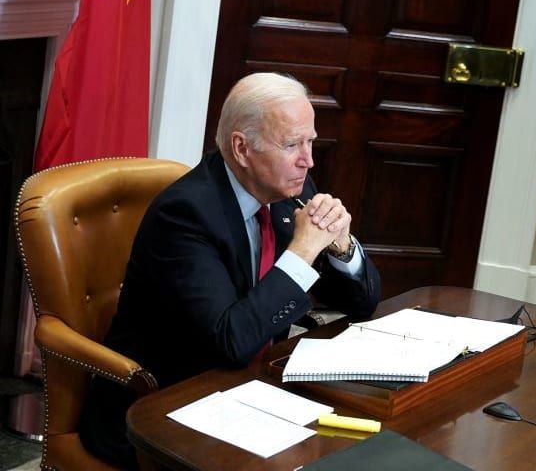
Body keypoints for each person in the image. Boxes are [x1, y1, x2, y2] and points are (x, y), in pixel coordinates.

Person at [79, 72, 382, 469]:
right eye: (292, 144)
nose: (308, 160)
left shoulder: (288, 188)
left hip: (251, 391)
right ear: (241, 148)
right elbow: (232, 340)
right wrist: (304, 251)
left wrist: (342, 247)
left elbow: (363, 302)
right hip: (164, 406)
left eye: (310, 141)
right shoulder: (186, 215)